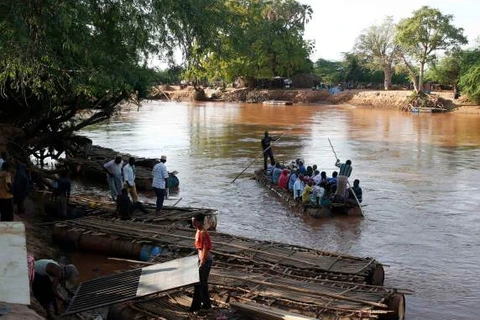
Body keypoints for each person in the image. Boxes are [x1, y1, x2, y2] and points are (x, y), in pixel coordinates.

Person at [189, 213, 213, 313]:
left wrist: (202, 262)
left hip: (205, 260)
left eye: (194, 221)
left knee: (199, 284)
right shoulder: (198, 230)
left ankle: (196, 307)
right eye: (192, 221)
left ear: (199, 221)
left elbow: (205, 248)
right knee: (203, 283)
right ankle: (207, 305)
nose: (193, 223)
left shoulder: (203, 232)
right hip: (202, 259)